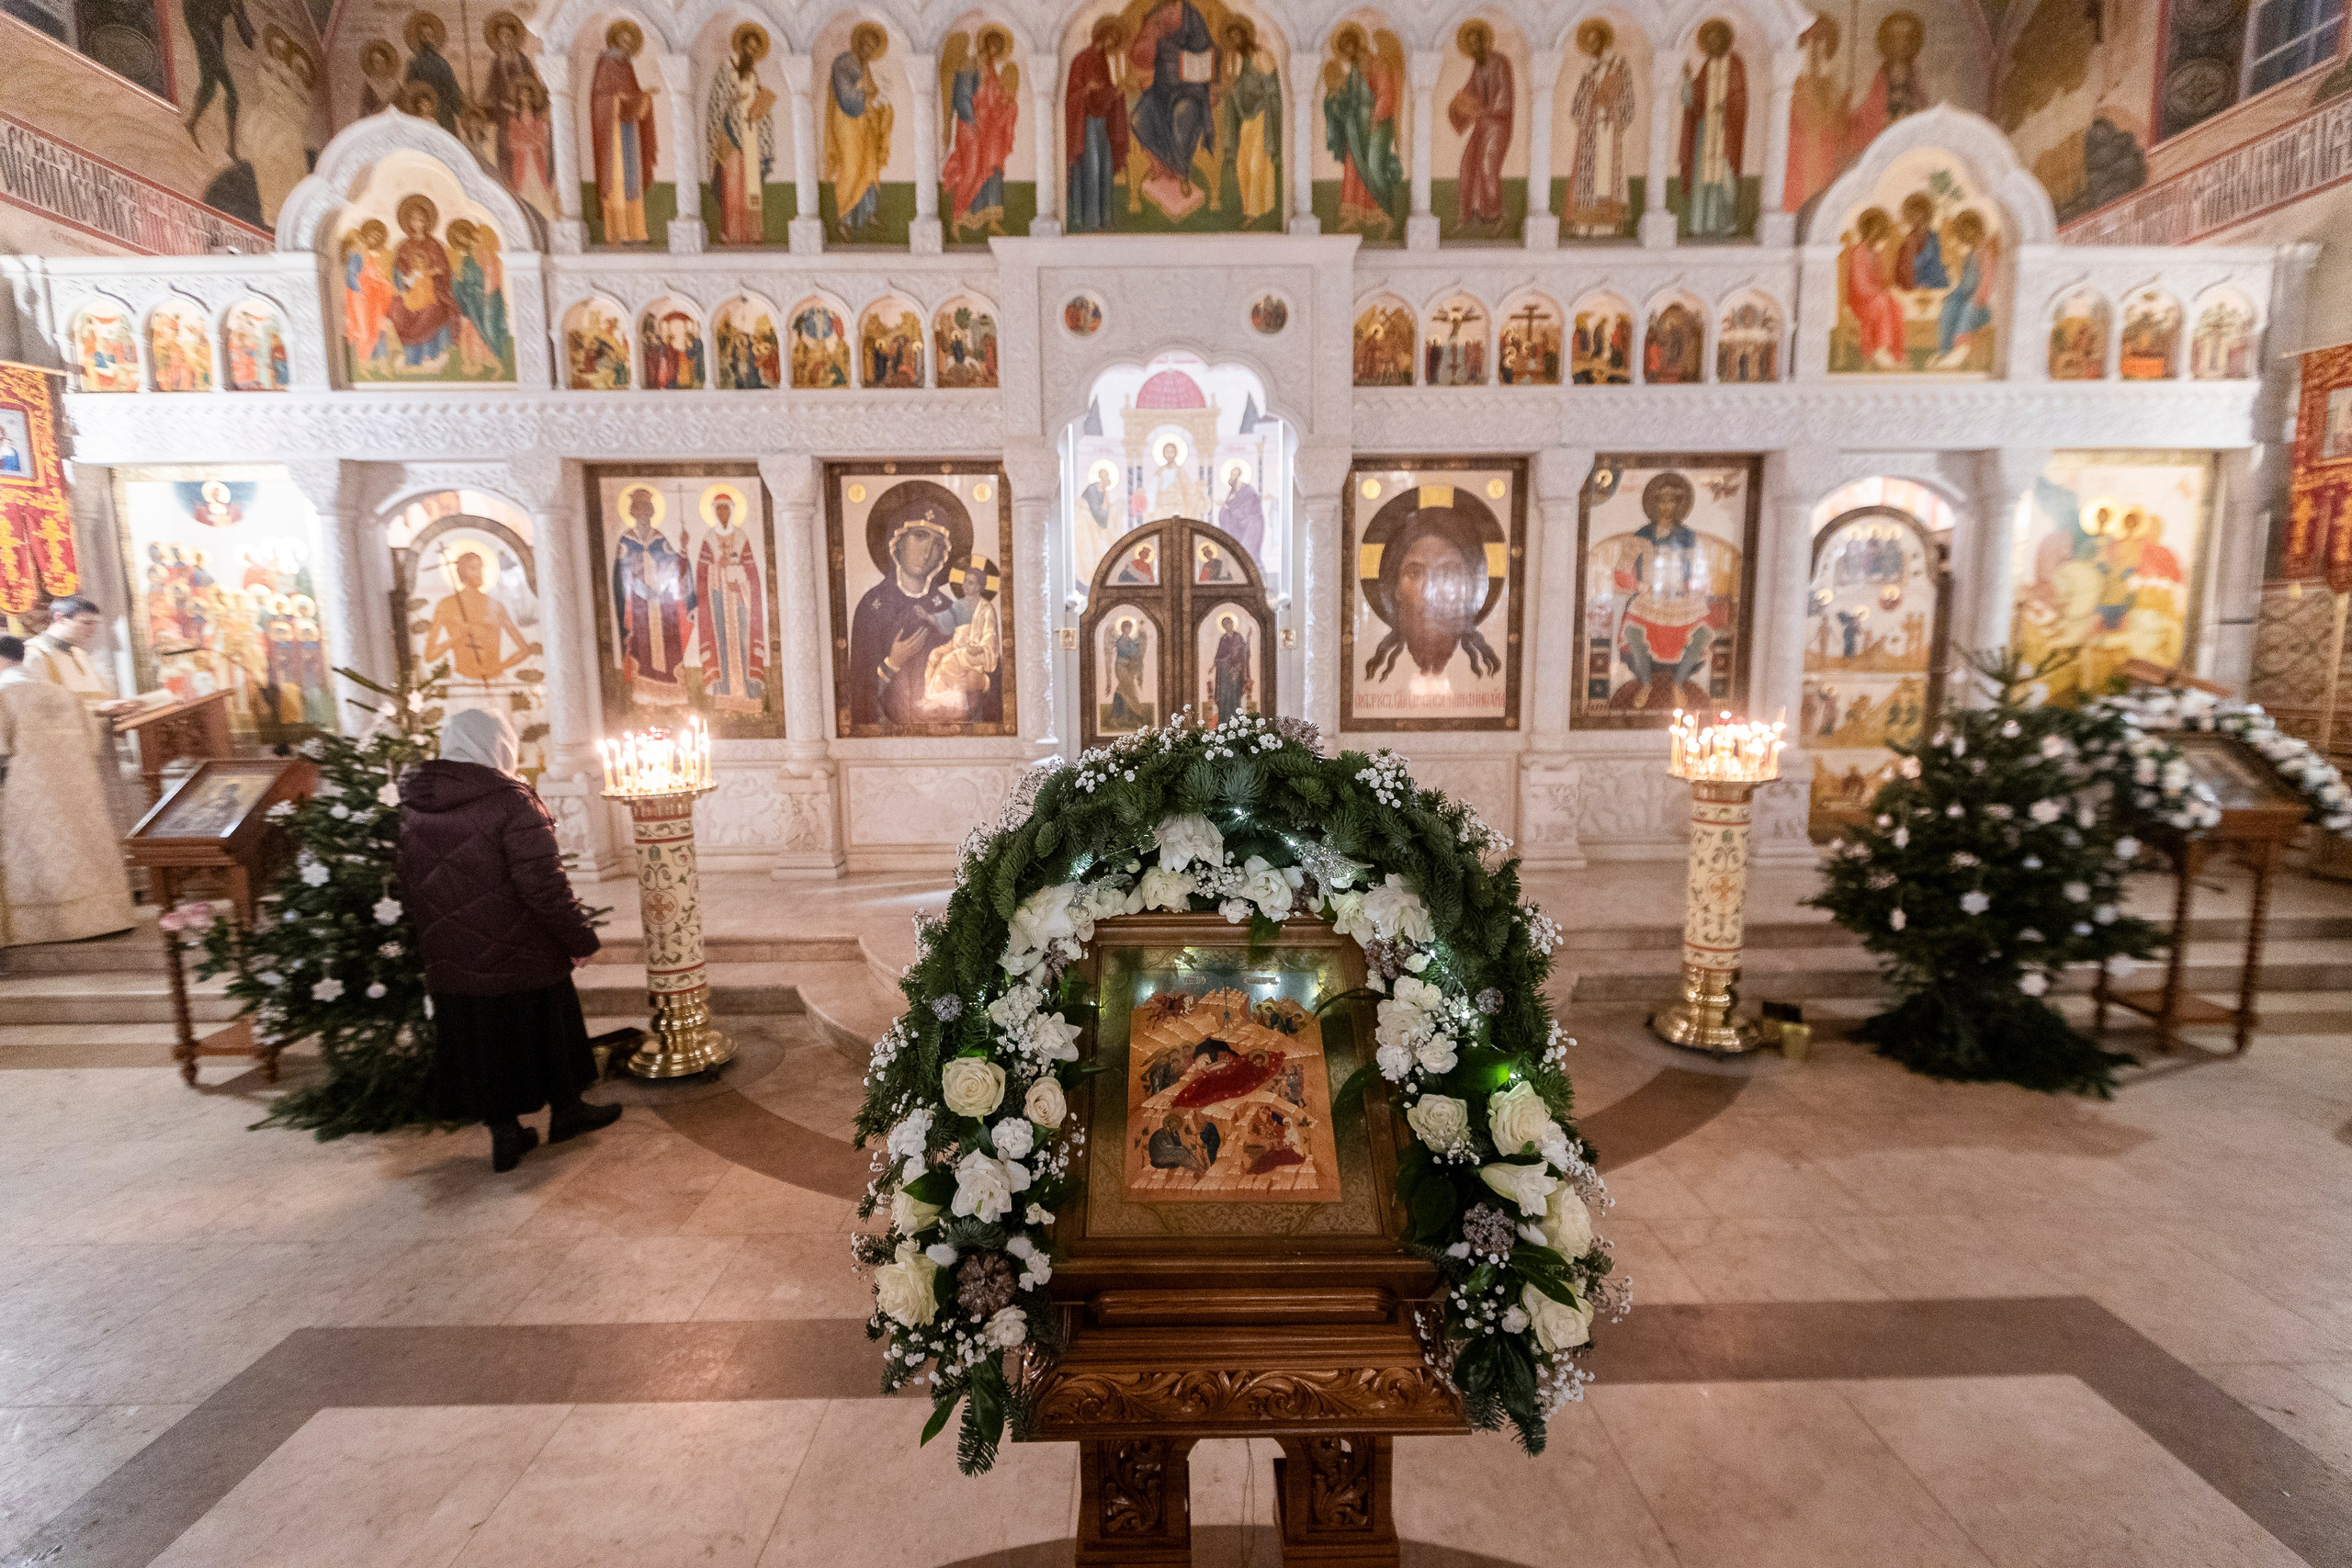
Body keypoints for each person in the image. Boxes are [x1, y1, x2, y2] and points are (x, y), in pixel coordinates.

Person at [399, 708, 617, 1172]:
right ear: (500, 745)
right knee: (547, 1026)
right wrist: (579, 938)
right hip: (523, 949)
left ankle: (505, 1133)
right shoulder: (510, 800)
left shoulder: (413, 804)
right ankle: (568, 1111)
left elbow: (409, 884)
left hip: (452, 954)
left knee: (483, 1039)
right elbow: (543, 884)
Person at [0, 636, 136, 945]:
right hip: (77, 791)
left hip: (23, 793)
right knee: (83, 849)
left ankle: (47, 925)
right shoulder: (62, 694)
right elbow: (92, 744)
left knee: (34, 856)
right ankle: (104, 916)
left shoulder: (2, 693)